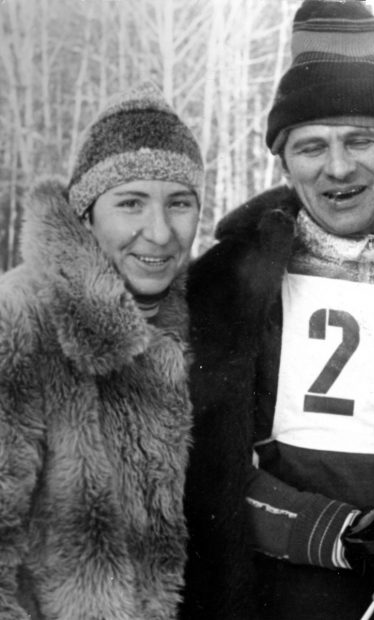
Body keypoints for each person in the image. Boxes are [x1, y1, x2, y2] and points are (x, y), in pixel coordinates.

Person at [181, 1, 374, 618]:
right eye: (311, 146)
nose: (338, 166)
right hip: (277, 601)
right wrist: (344, 536)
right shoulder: (230, 287)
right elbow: (205, 476)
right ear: (284, 163)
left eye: (361, 139)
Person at [0, 82, 204, 619]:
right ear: (86, 212)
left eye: (179, 203)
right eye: (131, 203)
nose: (159, 232)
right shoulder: (18, 318)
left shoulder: (196, 323)